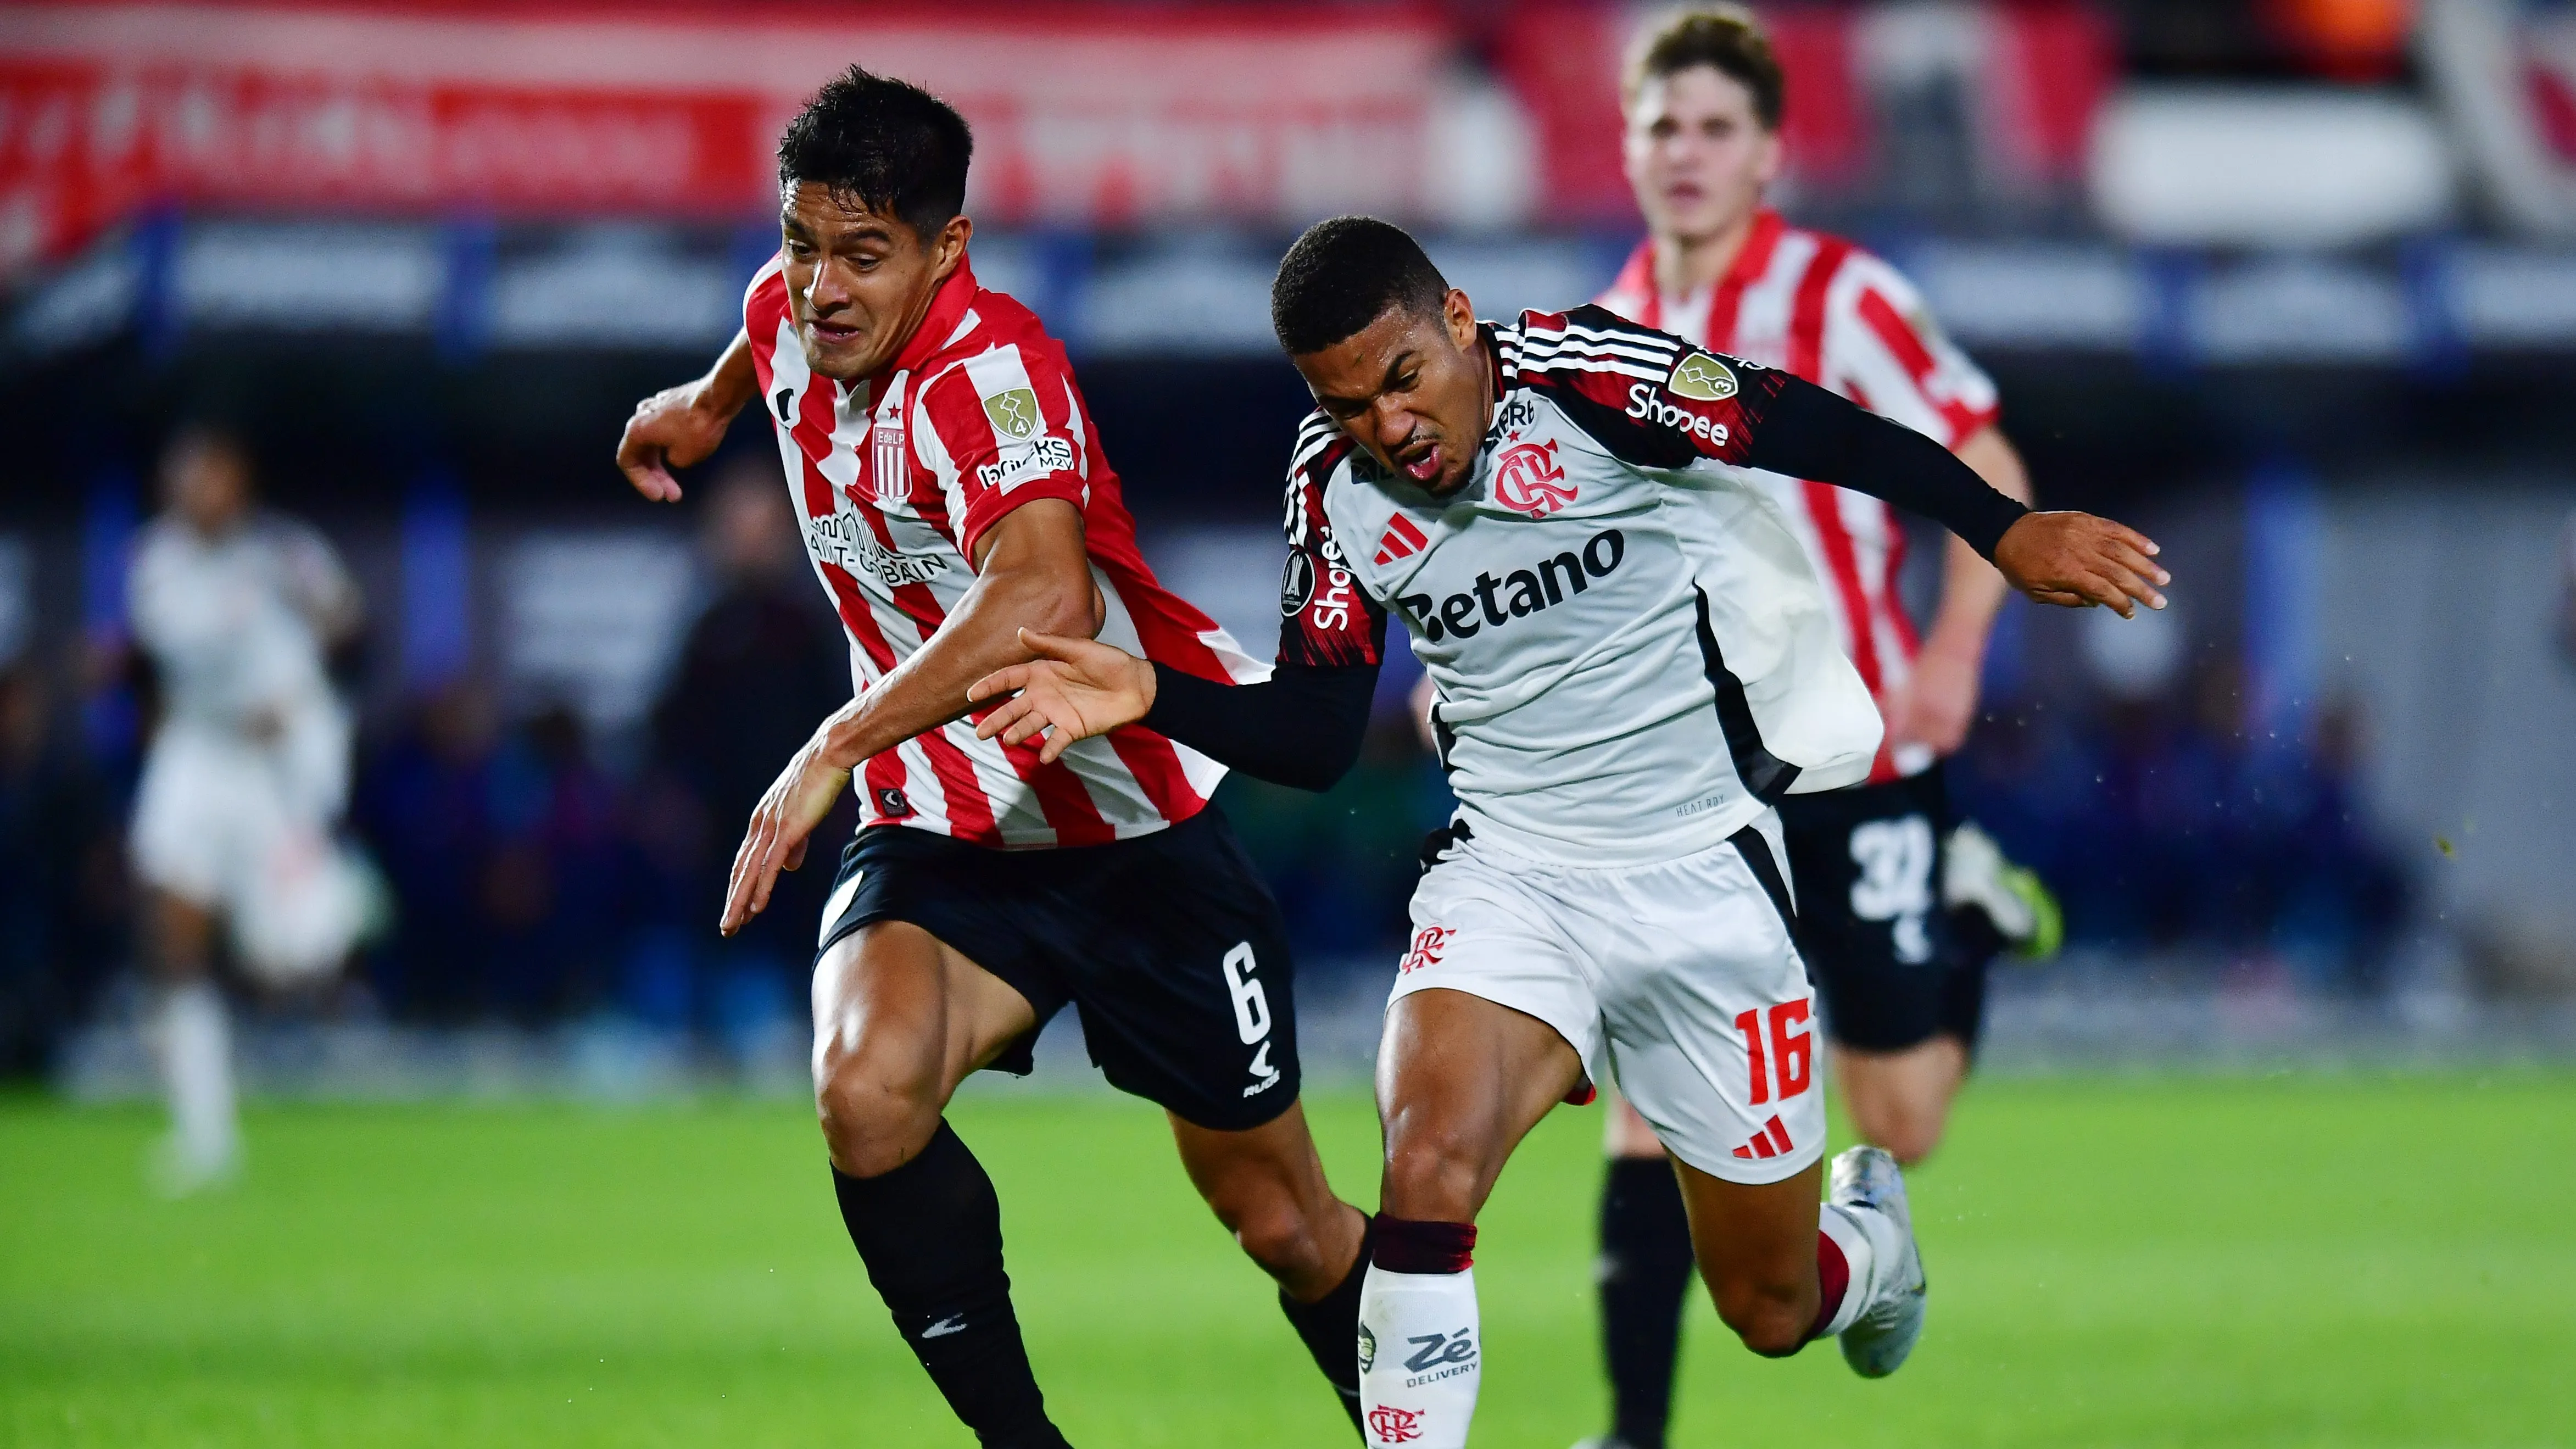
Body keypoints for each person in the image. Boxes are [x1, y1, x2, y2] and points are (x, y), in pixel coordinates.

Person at [966, 217, 2167, 1448]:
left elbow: (1810, 427)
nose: (1387, 425)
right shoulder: (1330, 487)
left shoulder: (1591, 377)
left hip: (1701, 871)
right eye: (1346, 405)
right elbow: (1320, 734)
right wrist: (1147, 689)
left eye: (1403, 378)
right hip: (1511, 874)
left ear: (1458, 320)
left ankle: (1867, 1251)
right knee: (1425, 1167)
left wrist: (1998, 527)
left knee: (1767, 1305)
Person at [610, 68, 1370, 1448]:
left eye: (863, 253)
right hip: (944, 824)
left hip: (1132, 823)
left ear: (945, 248)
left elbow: (1040, 594)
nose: (822, 286)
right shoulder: (789, 314)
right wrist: (706, 405)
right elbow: (762, 331)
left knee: (1286, 1225)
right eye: (799, 241)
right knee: (863, 1090)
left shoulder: (992, 374)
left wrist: (832, 741)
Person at [1582, 13, 2062, 1442]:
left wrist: (1956, 647)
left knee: (1896, 1119)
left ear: (1770, 153)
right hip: (1693, 769)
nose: (1686, 153)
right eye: (1663, 127)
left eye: (1715, 128)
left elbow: (1984, 455)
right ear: (1627, 147)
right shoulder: (1605, 325)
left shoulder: (1840, 295)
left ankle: (1965, 919)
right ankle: (1633, 1427)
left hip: (1858, 752)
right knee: (1650, 1093)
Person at [126, 426, 371, 1192]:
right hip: (199, 754)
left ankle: (340, 928)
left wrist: (324, 622)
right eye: (187, 478)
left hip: (277, 764)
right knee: (173, 934)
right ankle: (205, 1134)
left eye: (214, 476)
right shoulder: (157, 564)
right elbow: (185, 652)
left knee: (289, 955)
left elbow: (353, 632)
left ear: (241, 481)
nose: (201, 492)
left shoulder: (288, 551)